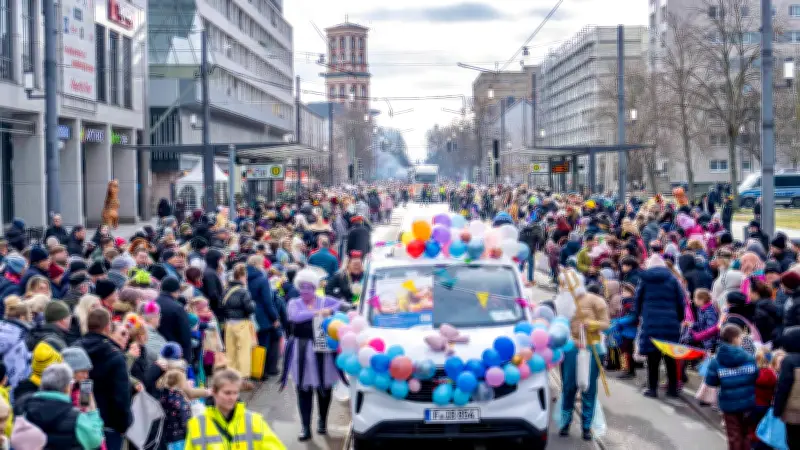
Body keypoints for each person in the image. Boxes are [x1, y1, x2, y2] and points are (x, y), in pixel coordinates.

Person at [284, 269, 345, 441]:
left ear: (315, 287)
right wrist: (318, 313)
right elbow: (295, 316)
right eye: (302, 287)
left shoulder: (325, 300)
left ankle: (322, 421)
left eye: (309, 287)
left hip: (323, 351)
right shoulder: (294, 303)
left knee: (324, 388)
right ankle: (305, 427)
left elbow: (340, 305)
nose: (305, 291)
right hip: (301, 349)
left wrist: (330, 311)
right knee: (303, 388)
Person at [558, 269, 610, 441]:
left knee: (588, 388)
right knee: (568, 386)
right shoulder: (560, 302)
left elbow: (605, 324)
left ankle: (587, 426)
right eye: (562, 284)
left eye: (566, 284)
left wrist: (591, 324)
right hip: (570, 348)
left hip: (592, 347)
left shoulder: (595, 300)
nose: (563, 287)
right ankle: (565, 423)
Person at [184, 368, 286, 450]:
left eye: (235, 393)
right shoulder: (196, 425)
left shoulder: (255, 421)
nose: (232, 397)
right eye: (227, 393)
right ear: (214, 392)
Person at [77, 308, 132, 450]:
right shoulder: (114, 355)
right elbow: (121, 395)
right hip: (109, 423)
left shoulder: (75, 350)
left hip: (79, 420)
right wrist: (124, 424)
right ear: (108, 327)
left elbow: (82, 385)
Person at [17, 363, 105, 450]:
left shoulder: (24, 409)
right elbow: (95, 441)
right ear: (67, 387)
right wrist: (92, 412)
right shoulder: (77, 418)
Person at [635, 255, 685, 398]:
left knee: (652, 357)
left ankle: (652, 389)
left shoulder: (645, 280)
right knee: (670, 356)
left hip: (651, 322)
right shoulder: (673, 280)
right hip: (671, 322)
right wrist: (679, 318)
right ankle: (672, 389)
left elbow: (638, 299)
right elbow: (680, 301)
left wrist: (639, 315)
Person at [705, 324, 759, 450]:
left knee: (734, 435)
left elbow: (710, 381)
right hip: (748, 402)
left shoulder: (716, 360)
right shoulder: (749, 358)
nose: (741, 340)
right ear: (734, 338)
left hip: (729, 405)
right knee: (746, 434)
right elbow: (755, 376)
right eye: (740, 337)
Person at [222, 264, 256, 389]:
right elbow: (250, 308)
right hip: (242, 323)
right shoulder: (243, 291)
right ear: (242, 276)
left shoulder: (226, 290)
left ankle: (230, 377)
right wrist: (253, 304)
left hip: (229, 323)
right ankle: (242, 379)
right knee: (243, 352)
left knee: (230, 352)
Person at [246, 256, 280, 379]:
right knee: (263, 343)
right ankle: (260, 371)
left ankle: (249, 370)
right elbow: (267, 301)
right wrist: (274, 318)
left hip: (247, 315)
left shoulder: (244, 277)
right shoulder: (262, 279)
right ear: (259, 264)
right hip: (262, 316)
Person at [773, 326, 800, 448]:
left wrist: (777, 409)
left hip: (793, 413)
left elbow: (783, 387)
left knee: (793, 441)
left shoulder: (789, 361)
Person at [156, 276, 193, 363]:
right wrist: (187, 359)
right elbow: (185, 335)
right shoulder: (177, 308)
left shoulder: (152, 303)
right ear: (176, 290)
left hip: (154, 350)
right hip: (174, 352)